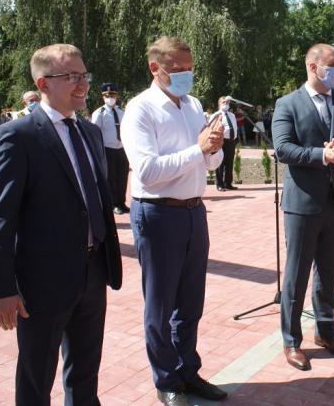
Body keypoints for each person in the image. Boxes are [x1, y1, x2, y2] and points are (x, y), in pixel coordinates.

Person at [0, 44, 123, 405]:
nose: (83, 84)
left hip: (92, 272)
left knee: (85, 372)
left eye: (84, 75)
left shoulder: (90, 132)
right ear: (43, 83)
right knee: (36, 378)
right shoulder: (18, 136)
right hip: (42, 282)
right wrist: (1, 289)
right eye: (72, 76)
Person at [121, 36, 227, 406]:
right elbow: (147, 172)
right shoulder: (140, 109)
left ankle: (187, 372)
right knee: (161, 303)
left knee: (191, 301)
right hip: (158, 213)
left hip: (194, 211)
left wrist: (214, 147)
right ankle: (166, 380)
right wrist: (198, 149)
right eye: (177, 69)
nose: (186, 74)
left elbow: (209, 162)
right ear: (156, 68)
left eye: (190, 68)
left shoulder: (193, 105)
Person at [272, 43, 334, 371]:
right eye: (332, 65)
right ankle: (291, 340)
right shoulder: (287, 104)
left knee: (327, 272)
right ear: (313, 67)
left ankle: (325, 331)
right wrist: (322, 156)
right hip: (303, 203)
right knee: (297, 273)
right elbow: (283, 148)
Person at [91, 83, 130, 215]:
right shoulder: (99, 113)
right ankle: (114, 204)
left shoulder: (121, 112)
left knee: (122, 176)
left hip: (121, 149)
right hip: (107, 150)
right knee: (111, 178)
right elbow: (94, 133)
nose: (110, 98)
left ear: (116, 96)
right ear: (103, 97)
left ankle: (122, 202)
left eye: (112, 95)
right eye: (107, 96)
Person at [209, 96, 238, 191]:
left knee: (229, 163)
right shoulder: (216, 115)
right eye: (223, 102)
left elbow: (234, 127)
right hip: (221, 141)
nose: (226, 104)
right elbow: (210, 127)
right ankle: (220, 184)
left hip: (231, 141)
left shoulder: (232, 115)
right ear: (219, 104)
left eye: (227, 102)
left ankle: (228, 183)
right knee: (220, 163)